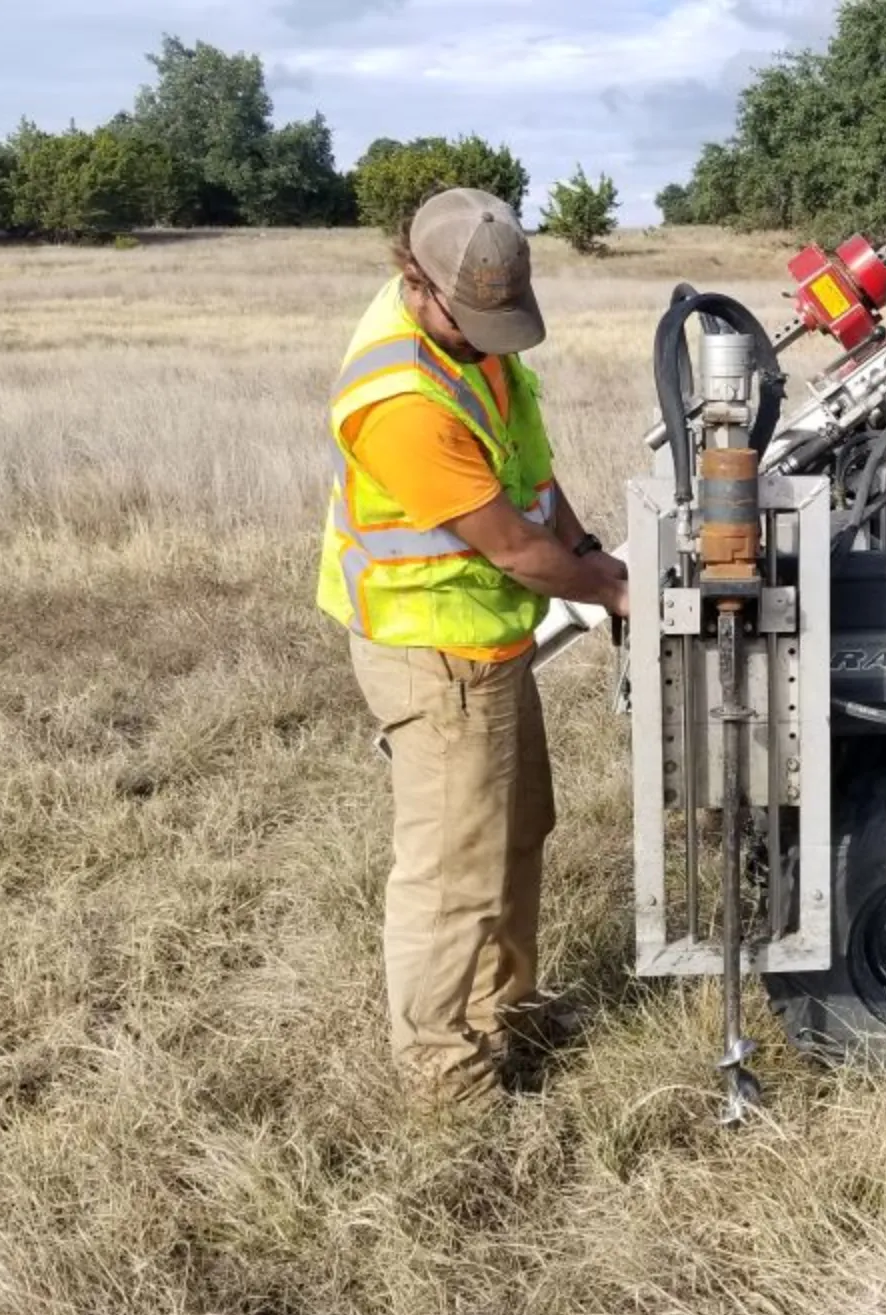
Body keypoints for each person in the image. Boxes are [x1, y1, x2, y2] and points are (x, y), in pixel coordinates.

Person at [317, 188, 630, 1111]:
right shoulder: (401, 398)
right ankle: (443, 1072)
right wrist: (614, 591)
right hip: (432, 653)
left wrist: (591, 552)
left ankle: (506, 1013)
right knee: (453, 870)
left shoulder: (476, 357)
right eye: (479, 319)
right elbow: (509, 545)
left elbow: (534, 482)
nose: (497, 339)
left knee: (516, 832)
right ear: (417, 282)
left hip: (489, 644)